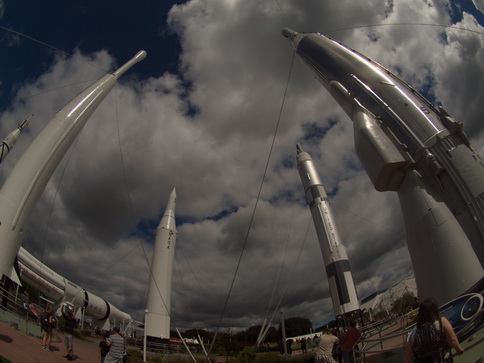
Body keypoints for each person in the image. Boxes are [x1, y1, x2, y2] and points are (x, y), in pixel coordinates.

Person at [404, 297, 464, 363]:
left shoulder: (413, 333)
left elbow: (407, 358)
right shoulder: (442, 322)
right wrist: (459, 349)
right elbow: (452, 339)